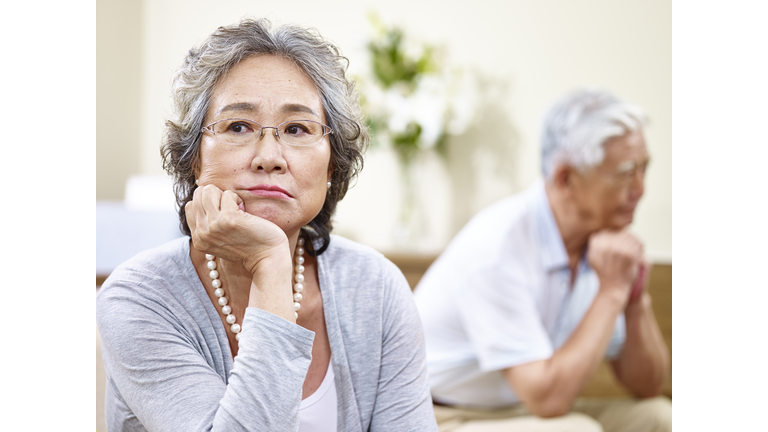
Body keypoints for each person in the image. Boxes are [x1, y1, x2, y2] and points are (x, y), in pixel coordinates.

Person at [96, 18, 437, 432]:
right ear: (194, 159)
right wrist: (271, 266)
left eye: (297, 129)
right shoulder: (138, 298)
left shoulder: (376, 287)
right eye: (238, 126)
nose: (269, 156)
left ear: (333, 165)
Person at [413, 88, 671, 432]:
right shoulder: (497, 248)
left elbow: (647, 385)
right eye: (625, 173)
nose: (640, 189)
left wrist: (634, 296)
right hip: (441, 417)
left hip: (521, 411)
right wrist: (612, 291)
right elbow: (547, 400)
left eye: (644, 169)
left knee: (660, 417)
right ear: (567, 179)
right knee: (577, 429)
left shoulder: (605, 246)